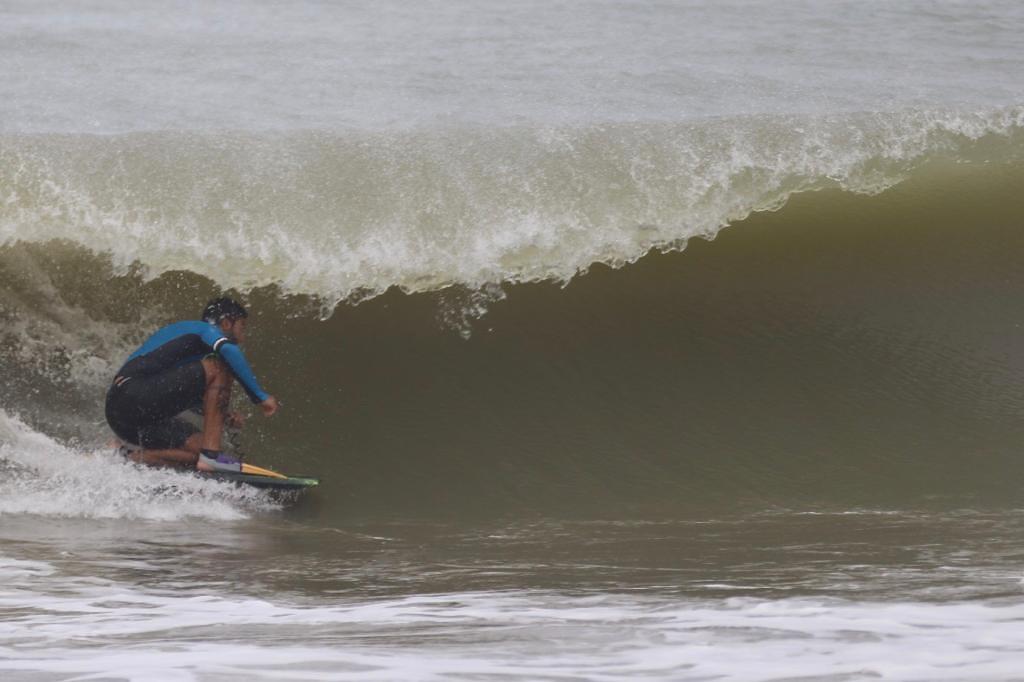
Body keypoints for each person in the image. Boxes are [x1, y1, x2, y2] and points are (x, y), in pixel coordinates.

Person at [105, 297, 280, 472]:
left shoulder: (191, 355)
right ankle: (211, 457)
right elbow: (228, 350)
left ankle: (127, 456)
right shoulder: (203, 330)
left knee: (197, 449)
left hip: (125, 419)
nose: (243, 336)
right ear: (226, 323)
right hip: (131, 393)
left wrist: (224, 416)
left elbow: (179, 396)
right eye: (242, 326)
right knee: (221, 366)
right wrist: (260, 397)